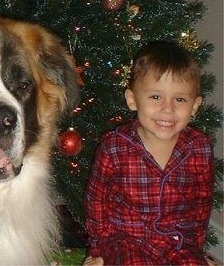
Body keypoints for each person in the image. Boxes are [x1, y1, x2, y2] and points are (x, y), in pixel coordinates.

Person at [83, 41, 216, 266]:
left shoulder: (199, 148)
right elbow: (97, 202)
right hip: (126, 240)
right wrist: (98, 250)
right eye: (156, 97)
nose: (167, 109)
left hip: (177, 241)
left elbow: (202, 203)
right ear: (132, 99)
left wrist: (196, 248)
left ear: (194, 106)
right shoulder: (114, 148)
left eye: (180, 99)